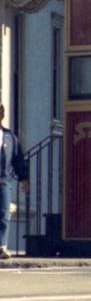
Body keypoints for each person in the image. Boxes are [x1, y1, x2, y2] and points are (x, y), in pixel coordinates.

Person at [0, 105, 29, 259]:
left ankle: (1, 246)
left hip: (3, 180)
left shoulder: (9, 137)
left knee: (4, 214)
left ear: (2, 115)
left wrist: (24, 179)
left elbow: (18, 159)